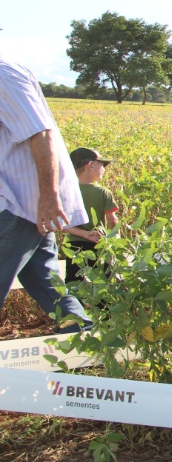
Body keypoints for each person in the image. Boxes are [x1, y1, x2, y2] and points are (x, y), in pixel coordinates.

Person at [0, 48, 92, 332]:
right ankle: (81, 336)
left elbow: (41, 134)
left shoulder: (3, 73)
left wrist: (49, 197)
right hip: (24, 203)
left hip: (20, 202)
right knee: (43, 277)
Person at [64, 147, 119, 285]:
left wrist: (84, 233)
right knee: (103, 286)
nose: (104, 169)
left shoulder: (67, 192)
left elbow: (64, 224)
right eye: (102, 165)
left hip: (74, 247)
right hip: (99, 244)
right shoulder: (103, 193)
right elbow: (113, 222)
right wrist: (114, 239)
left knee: (74, 285)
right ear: (91, 165)